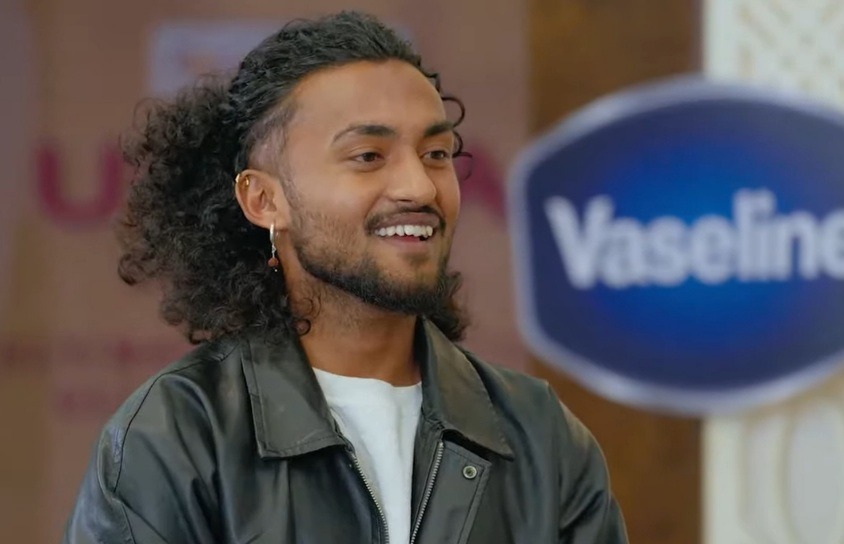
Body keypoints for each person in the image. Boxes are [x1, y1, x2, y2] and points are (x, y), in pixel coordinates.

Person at [63, 11, 627, 544]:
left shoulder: (541, 437)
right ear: (264, 200)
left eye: (436, 153)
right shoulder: (173, 436)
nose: (419, 187)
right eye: (368, 156)